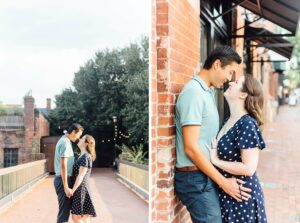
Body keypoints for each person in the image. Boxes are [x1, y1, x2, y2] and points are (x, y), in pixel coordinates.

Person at [174, 46, 251, 223]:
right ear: (217, 64)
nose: (229, 79)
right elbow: (191, 148)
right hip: (194, 179)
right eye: (230, 72)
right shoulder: (194, 93)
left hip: (204, 175)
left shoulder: (207, 93)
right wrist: (223, 183)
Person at [209, 74, 267, 222]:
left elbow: (249, 168)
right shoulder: (229, 120)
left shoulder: (247, 123)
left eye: (236, 82)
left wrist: (215, 160)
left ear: (243, 94)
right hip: (228, 194)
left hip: (242, 198)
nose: (230, 82)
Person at [54, 123, 84, 223]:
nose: (79, 137)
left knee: (65, 211)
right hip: (63, 180)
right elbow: (63, 166)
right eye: (78, 135)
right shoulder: (65, 143)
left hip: (63, 179)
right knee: (64, 213)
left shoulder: (65, 140)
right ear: (73, 132)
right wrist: (66, 187)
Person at [71, 134, 97, 223]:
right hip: (82, 188)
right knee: (85, 217)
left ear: (86, 143)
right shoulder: (82, 155)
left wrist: (72, 190)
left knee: (76, 217)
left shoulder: (86, 156)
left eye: (82, 139)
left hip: (81, 189)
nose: (79, 139)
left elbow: (81, 175)